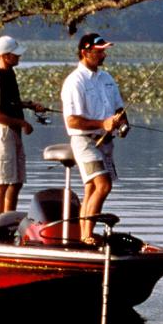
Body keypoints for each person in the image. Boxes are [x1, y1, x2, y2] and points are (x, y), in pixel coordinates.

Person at [61, 33, 128, 245]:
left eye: (104, 51)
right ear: (85, 52)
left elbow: (119, 109)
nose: (103, 55)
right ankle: (87, 235)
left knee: (91, 188)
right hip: (85, 141)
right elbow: (72, 121)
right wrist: (102, 124)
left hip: (106, 141)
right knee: (103, 185)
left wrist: (123, 124)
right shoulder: (74, 81)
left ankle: (84, 234)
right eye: (99, 52)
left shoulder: (107, 79)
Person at [0, 35, 43, 218]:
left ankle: (8, 219)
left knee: (16, 181)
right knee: (1, 182)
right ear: (4, 56)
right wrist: (22, 123)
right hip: (2, 133)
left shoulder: (9, 74)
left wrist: (28, 104)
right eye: (15, 54)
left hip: (12, 133)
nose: (18, 57)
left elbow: (9, 103)